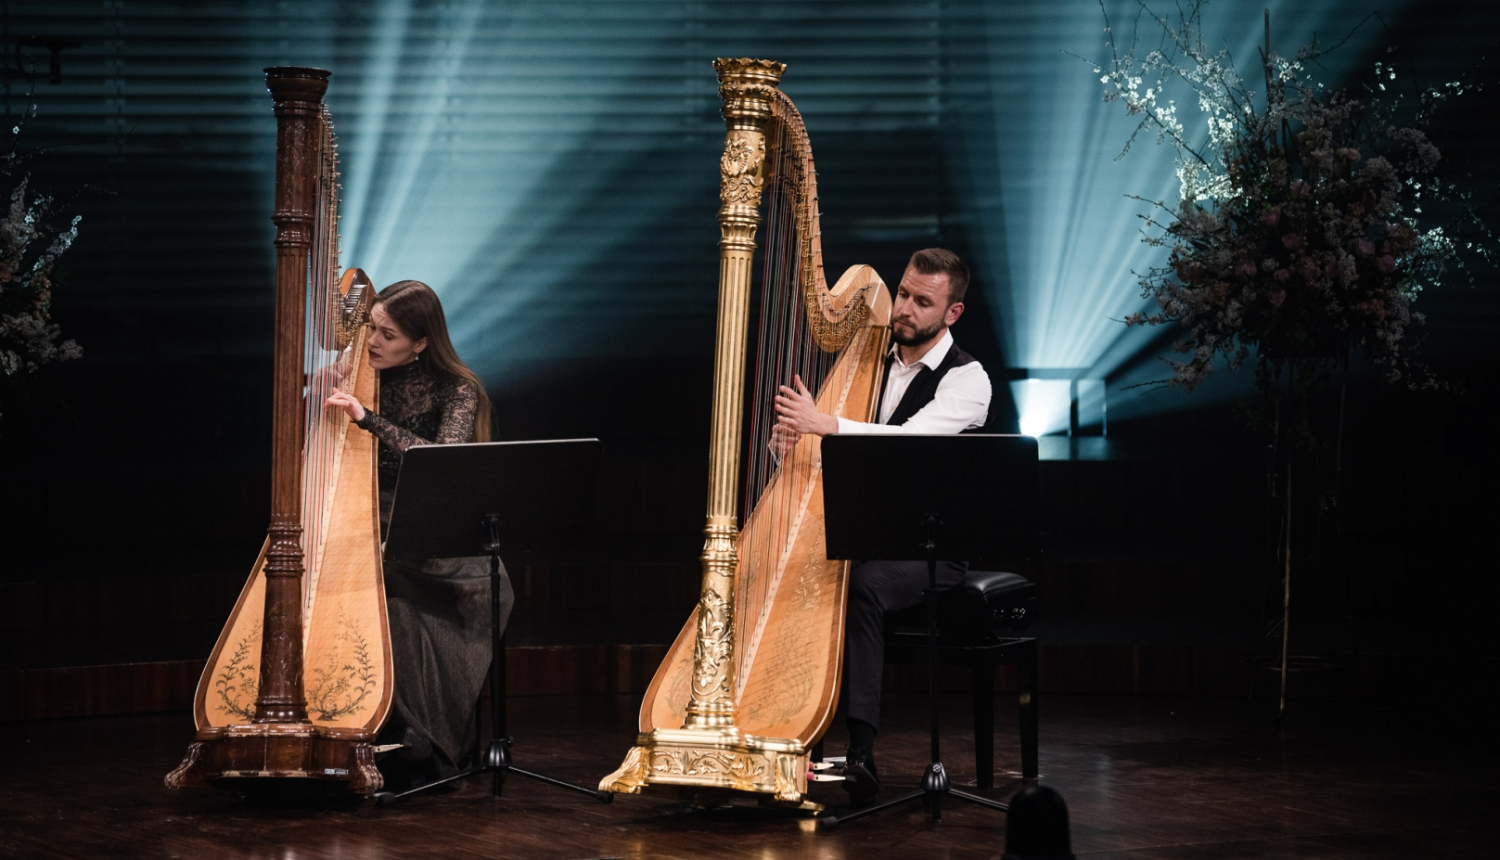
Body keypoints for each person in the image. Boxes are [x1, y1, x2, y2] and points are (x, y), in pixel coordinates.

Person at [773, 248, 991, 806]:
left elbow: (909, 445)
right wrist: (792, 448)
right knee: (802, 571)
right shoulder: (871, 363)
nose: (905, 309)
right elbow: (845, 461)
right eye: (902, 294)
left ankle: (861, 753)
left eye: (923, 301)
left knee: (864, 584)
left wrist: (823, 424)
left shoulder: (968, 380)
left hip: (932, 547)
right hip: (867, 533)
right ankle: (789, 739)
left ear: (953, 313)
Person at [325, 279, 506, 789]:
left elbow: (440, 462)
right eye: (371, 330)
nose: (374, 343)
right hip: (371, 519)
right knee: (374, 590)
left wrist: (368, 420)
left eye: (389, 334)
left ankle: (423, 737)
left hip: (435, 530)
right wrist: (319, 383)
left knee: (397, 599)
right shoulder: (364, 376)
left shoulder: (458, 389)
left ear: (421, 342)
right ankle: (374, 724)